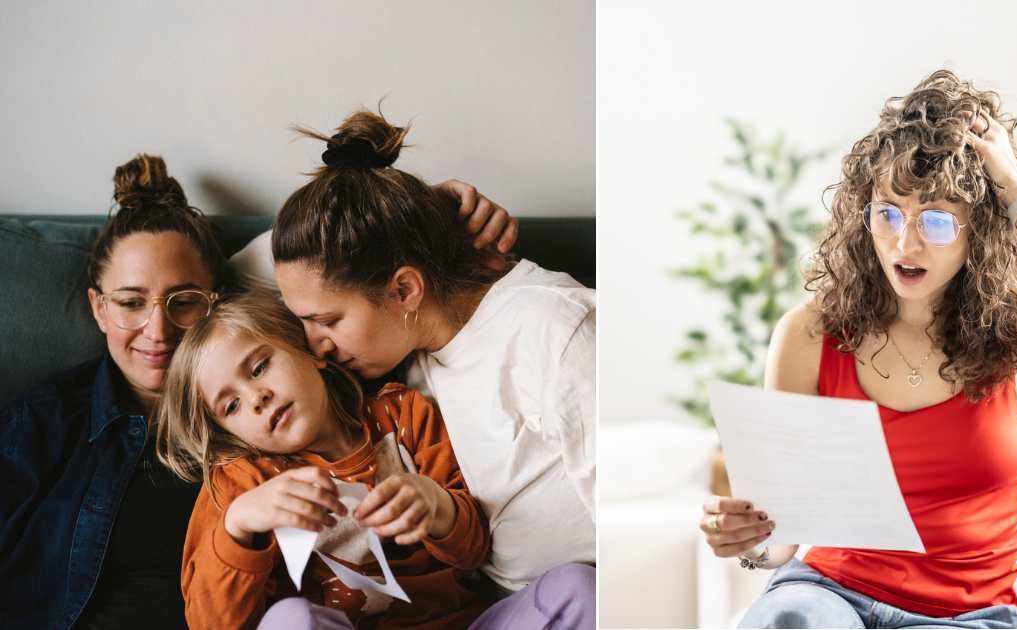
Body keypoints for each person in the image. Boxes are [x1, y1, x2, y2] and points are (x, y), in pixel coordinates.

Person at [0, 154, 514, 629]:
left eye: (184, 301)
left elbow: (342, 258)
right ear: (98, 307)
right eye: (131, 302)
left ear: (219, 298)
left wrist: (419, 214)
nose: (158, 330)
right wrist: (240, 523)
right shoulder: (49, 421)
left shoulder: (361, 392)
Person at [700, 70, 1017, 629]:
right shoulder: (808, 336)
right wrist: (751, 541)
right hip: (826, 594)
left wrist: (1016, 190)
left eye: (937, 221)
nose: (906, 242)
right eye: (889, 213)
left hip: (967, 615)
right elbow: (784, 533)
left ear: (981, 230)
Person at [270, 110, 596, 629]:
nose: (316, 347)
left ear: (404, 289)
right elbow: (233, 282)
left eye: (327, 321)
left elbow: (646, 512)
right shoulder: (408, 345)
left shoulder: (555, 329)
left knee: (582, 590)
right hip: (479, 609)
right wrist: (427, 208)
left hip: (560, 607)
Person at [156, 291, 491, 629]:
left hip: (462, 622)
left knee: (530, 599)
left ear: (308, 351)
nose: (257, 398)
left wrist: (436, 506)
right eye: (231, 406)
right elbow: (210, 623)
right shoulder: (243, 482)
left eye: (259, 368)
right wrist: (238, 525)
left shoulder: (404, 414)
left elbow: (475, 550)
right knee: (291, 619)